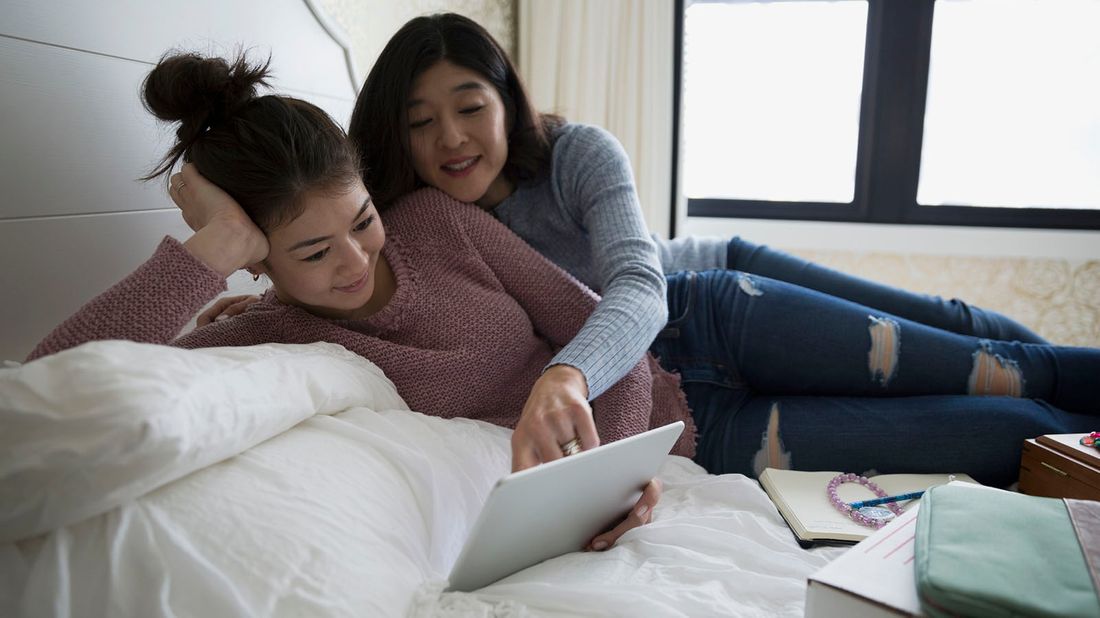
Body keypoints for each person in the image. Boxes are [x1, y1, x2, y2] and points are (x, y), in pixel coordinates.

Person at [172, 16, 1100, 487]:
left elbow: (630, 291)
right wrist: (218, 256)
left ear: (507, 100)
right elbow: (317, 202)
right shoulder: (383, 237)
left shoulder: (554, 164)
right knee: (1001, 429)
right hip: (675, 403)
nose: (452, 137)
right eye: (420, 122)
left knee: (994, 358)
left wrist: (570, 381)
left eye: (470, 107)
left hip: (694, 297)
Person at [28, 52, 666, 551]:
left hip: (675, 399)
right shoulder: (266, 335)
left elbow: (615, 338)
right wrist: (213, 248)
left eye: (362, 219)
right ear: (257, 254)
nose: (357, 261)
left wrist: (605, 480)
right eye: (312, 252)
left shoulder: (437, 220)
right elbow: (46, 385)